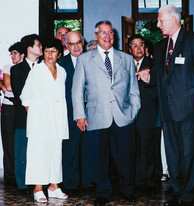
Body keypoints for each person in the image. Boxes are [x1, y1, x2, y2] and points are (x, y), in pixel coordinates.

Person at [137, 5, 194, 205]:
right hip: (167, 111)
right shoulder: (161, 46)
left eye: (160, 20)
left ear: (173, 20)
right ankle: (179, 190)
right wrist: (148, 76)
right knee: (173, 155)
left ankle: (188, 194)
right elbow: (160, 75)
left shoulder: (193, 40)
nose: (157, 24)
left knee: (190, 153)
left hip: (190, 109)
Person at [72, 20, 141, 206]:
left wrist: (133, 112)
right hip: (96, 116)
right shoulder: (85, 59)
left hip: (123, 116)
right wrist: (80, 114)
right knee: (99, 158)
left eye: (110, 32)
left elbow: (133, 90)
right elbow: (77, 90)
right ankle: (102, 192)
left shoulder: (126, 59)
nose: (107, 36)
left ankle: (128, 190)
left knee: (125, 157)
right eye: (103, 33)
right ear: (96, 36)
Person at [20, 38, 68, 203]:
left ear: (59, 54)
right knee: (39, 154)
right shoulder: (37, 71)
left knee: (56, 152)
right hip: (39, 122)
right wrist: (37, 116)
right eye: (46, 50)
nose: (49, 54)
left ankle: (54, 186)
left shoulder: (62, 71)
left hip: (57, 120)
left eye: (53, 51)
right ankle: (38, 188)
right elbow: (25, 98)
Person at [59, 31, 92, 193]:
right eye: (71, 44)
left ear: (83, 42)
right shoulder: (60, 64)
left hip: (92, 111)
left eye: (78, 42)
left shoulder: (92, 59)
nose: (76, 47)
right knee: (71, 150)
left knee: (89, 149)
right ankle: (70, 184)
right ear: (66, 45)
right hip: (69, 113)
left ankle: (88, 183)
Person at [128, 34, 160, 194]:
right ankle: (133, 179)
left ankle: (147, 181)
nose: (138, 48)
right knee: (131, 146)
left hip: (147, 111)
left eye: (141, 45)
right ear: (129, 49)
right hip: (127, 113)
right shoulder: (125, 64)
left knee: (147, 147)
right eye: (134, 45)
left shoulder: (153, 65)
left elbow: (158, 89)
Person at [11, 34, 43, 194]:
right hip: (23, 117)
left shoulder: (44, 67)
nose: (41, 47)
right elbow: (19, 93)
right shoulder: (16, 69)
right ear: (29, 48)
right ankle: (22, 185)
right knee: (22, 150)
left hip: (42, 117)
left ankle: (38, 182)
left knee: (38, 151)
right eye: (38, 44)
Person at [1, 42, 25, 187]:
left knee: (21, 142)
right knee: (8, 141)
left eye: (15, 53)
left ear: (23, 54)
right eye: (11, 54)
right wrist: (2, 84)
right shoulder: (8, 68)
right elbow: (9, 87)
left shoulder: (29, 68)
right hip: (9, 107)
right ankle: (10, 177)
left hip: (22, 107)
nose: (12, 56)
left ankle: (21, 174)